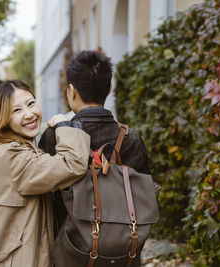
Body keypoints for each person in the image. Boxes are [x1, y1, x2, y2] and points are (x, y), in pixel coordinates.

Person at [0, 79, 90, 267]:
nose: (29, 114)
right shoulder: (11, 156)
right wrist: (65, 126)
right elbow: (73, 163)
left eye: (31, 103)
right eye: (16, 110)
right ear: (3, 117)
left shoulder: (4, 145)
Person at [38, 50, 151, 241]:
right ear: (109, 89)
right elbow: (146, 196)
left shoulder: (55, 136)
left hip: (68, 248)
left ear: (72, 91)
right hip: (122, 251)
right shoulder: (131, 138)